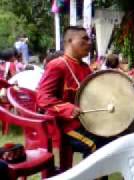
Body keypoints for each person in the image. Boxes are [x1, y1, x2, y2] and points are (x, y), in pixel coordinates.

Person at [37, 26, 112, 163]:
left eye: (90, 39)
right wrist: (68, 109)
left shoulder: (85, 67)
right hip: (64, 125)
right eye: (85, 39)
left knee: (112, 137)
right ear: (70, 41)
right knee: (97, 145)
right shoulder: (57, 65)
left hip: (85, 122)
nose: (90, 42)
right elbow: (42, 98)